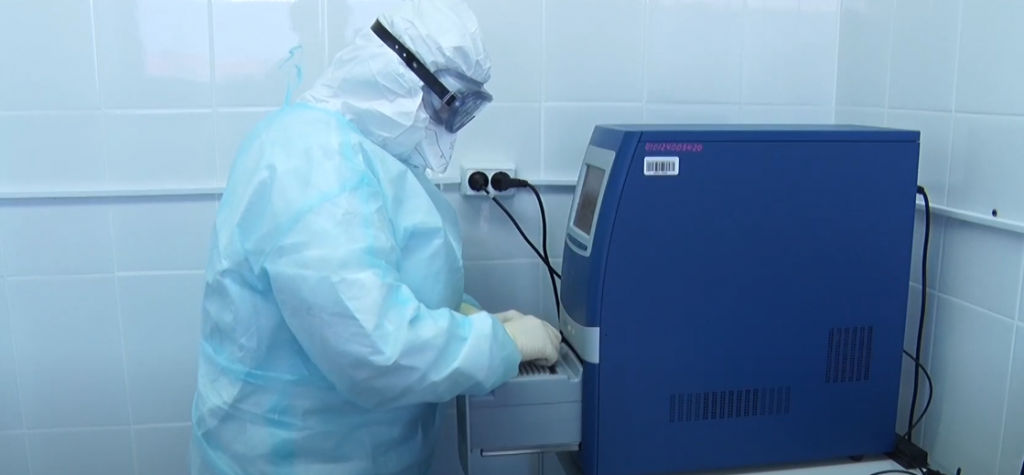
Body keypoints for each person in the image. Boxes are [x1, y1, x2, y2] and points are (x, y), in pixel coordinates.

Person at [189, 0, 562, 473]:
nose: (446, 130)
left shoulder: (366, 155)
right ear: (397, 75)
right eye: (447, 105)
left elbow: (394, 278)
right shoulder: (312, 162)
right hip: (293, 459)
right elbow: (375, 348)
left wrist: (467, 314)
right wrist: (501, 344)